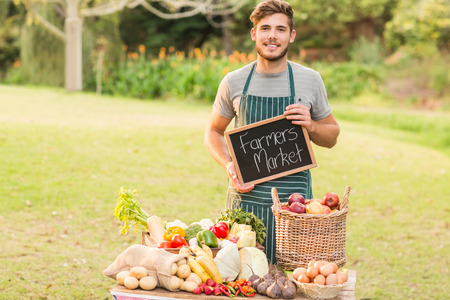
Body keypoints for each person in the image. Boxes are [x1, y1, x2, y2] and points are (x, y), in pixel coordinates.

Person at [204, 0, 340, 263]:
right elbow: (213, 131)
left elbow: (332, 135)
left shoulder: (310, 79)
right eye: (265, 28)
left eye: (280, 29)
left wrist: (311, 126)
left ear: (291, 35)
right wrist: (229, 165)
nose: (272, 36)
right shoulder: (234, 81)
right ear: (254, 33)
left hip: (295, 206)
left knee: (289, 281)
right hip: (245, 202)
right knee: (241, 273)